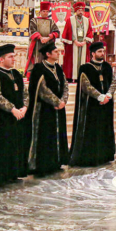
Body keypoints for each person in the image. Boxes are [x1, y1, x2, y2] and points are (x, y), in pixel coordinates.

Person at [0, 44, 29, 186]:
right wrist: (12, 109)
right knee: (3, 145)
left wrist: (24, 107)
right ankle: (0, 175)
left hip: (18, 115)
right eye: (11, 57)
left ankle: (13, 172)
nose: (14, 59)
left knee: (15, 144)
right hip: (2, 117)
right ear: (1, 59)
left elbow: (25, 92)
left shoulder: (16, 74)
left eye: (14, 56)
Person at [70, 42, 116, 166]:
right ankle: (90, 157)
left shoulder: (107, 66)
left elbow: (113, 82)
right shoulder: (85, 68)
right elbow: (86, 86)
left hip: (106, 104)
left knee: (105, 129)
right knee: (92, 131)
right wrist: (99, 96)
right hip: (92, 105)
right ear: (93, 53)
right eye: (100, 51)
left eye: (103, 51)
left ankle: (104, 156)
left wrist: (108, 95)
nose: (102, 53)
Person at [28, 40, 70, 174]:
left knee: (57, 134)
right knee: (46, 136)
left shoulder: (58, 68)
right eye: (56, 51)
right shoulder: (39, 69)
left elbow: (65, 85)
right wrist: (56, 102)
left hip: (59, 108)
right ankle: (44, 164)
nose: (58, 53)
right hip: (45, 109)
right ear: (48, 54)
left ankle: (57, 161)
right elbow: (42, 90)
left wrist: (63, 100)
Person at [61, 2, 93, 82]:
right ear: (76, 11)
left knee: (83, 60)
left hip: (83, 44)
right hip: (73, 44)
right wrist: (74, 40)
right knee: (71, 60)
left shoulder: (86, 20)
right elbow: (67, 31)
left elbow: (89, 31)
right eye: (79, 10)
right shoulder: (70, 20)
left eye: (82, 10)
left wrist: (85, 41)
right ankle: (71, 77)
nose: (81, 12)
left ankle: (82, 77)